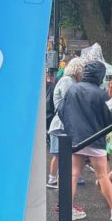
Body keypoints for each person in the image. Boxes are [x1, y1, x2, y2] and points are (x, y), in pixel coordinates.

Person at [58, 59, 112, 221]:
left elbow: (61, 111)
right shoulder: (101, 93)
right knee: (102, 175)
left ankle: (68, 209)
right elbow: (109, 119)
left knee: (73, 174)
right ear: (100, 75)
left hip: (75, 138)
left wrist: (70, 128)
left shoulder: (73, 89)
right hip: (95, 138)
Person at [47, 57, 85, 189]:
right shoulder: (67, 81)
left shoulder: (71, 80)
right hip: (60, 124)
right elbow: (70, 100)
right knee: (58, 154)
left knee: (65, 153)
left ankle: (65, 176)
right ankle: (52, 178)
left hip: (64, 124)